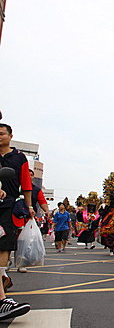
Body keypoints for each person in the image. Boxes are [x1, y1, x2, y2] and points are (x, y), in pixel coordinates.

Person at [0, 123, 31, 320]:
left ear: (11, 136)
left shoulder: (19, 157)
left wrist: (29, 207)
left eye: (1, 134)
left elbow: (26, 183)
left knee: (4, 246)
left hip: (9, 205)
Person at [14, 169, 51, 273]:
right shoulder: (16, 186)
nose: (29, 177)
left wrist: (47, 211)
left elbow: (42, 201)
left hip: (28, 218)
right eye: (27, 174)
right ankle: (6, 261)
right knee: (10, 240)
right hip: (14, 216)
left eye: (31, 175)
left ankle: (21, 263)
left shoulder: (36, 190)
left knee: (25, 241)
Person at [99, 173, 114, 256]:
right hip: (111, 213)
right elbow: (107, 204)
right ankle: (111, 248)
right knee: (109, 231)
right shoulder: (109, 194)